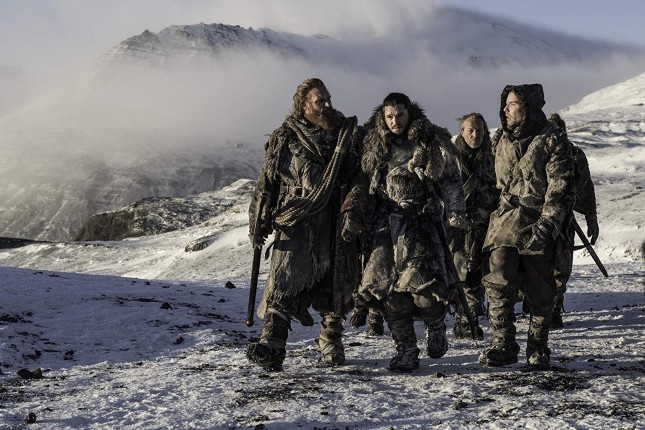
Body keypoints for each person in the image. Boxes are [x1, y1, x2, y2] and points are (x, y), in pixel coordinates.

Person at [246, 78, 365, 372]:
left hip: (335, 219)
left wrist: (353, 208)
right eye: (319, 100)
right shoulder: (285, 137)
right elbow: (267, 182)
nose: (327, 105)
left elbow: (359, 177)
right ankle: (272, 345)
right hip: (297, 220)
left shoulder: (346, 135)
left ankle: (330, 340)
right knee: (283, 283)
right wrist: (259, 220)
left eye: (328, 98)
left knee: (336, 283)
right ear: (303, 105)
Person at [356, 92, 468, 372]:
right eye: (389, 116)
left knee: (425, 290)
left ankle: (435, 324)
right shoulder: (373, 144)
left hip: (422, 223)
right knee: (387, 291)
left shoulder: (431, 140)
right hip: (386, 226)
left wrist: (456, 217)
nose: (395, 121)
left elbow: (451, 181)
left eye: (400, 115)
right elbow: (364, 182)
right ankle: (406, 350)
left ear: (410, 113)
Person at [480, 84, 574, 369]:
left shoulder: (552, 140)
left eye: (512, 104)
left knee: (541, 287)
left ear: (528, 107)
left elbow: (559, 186)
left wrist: (548, 224)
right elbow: (489, 182)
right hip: (504, 220)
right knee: (498, 279)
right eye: (505, 104)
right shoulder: (499, 140)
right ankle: (503, 344)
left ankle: (538, 346)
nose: (505, 110)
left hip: (538, 220)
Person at [450, 113, 499, 340]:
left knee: (482, 272)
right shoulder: (450, 159)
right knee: (462, 272)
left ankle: (473, 316)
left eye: (479, 130)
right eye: (471, 130)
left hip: (487, 225)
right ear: (462, 132)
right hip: (458, 227)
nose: (475, 134)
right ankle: (464, 319)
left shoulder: (493, 159)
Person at [548, 113, 599, 328]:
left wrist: (591, 218)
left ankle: (554, 306)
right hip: (534, 220)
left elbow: (585, 188)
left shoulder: (576, 155)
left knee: (561, 267)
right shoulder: (534, 154)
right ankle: (536, 303)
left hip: (564, 221)